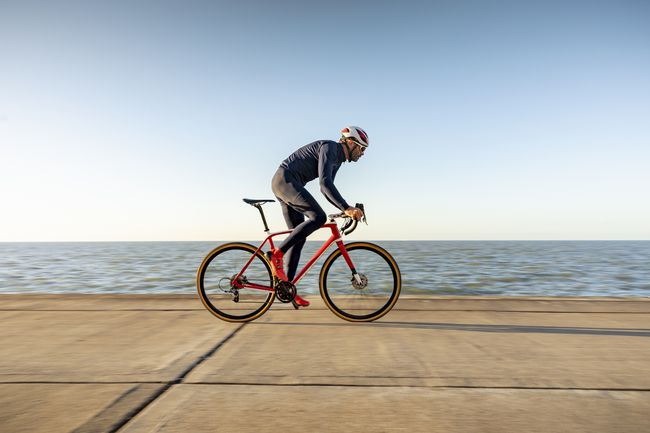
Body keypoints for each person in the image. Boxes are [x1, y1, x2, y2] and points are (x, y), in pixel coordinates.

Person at [269, 126, 368, 308]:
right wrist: (346, 207)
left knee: (298, 238)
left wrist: (343, 209)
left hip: (287, 183)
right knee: (318, 217)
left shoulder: (337, 159)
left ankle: (287, 289)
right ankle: (276, 254)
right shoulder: (330, 148)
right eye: (362, 148)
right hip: (285, 180)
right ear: (351, 143)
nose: (362, 153)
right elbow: (324, 184)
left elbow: (329, 188)